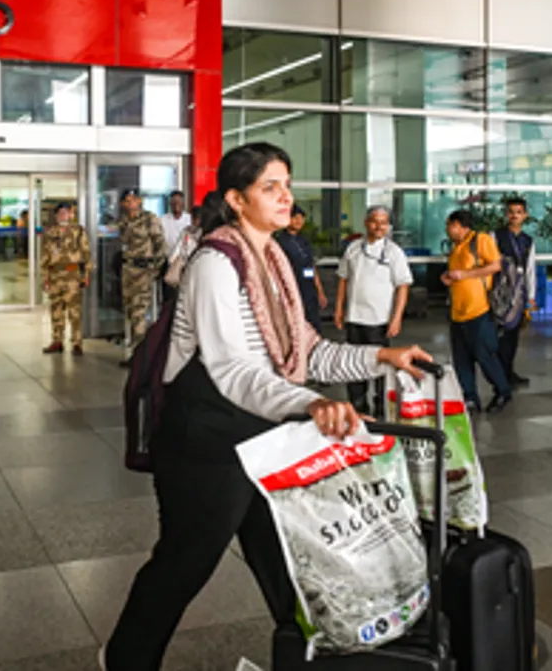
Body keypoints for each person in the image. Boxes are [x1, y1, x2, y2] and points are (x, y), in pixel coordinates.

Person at [102, 142, 434, 671]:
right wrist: (312, 405)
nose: (285, 197)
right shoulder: (215, 261)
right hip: (205, 440)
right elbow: (232, 369)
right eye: (269, 187)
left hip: (261, 431)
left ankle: (311, 654)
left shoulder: (274, 258)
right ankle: (125, 660)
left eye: (287, 183)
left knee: (285, 560)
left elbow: (309, 351)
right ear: (236, 199)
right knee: (185, 563)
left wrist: (382, 356)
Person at [333, 205, 413, 416]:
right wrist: (339, 309)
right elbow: (343, 279)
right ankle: (358, 407)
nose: (380, 226)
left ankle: (381, 408)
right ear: (366, 223)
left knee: (380, 367)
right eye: (375, 221)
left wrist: (397, 318)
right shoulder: (353, 248)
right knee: (353, 365)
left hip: (379, 321)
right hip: (354, 318)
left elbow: (403, 286)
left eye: (384, 223)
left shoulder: (394, 252)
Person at [443, 210, 513, 414]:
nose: (447, 229)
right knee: (461, 359)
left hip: (479, 310)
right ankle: (469, 396)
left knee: (485, 355)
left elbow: (496, 265)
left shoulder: (480, 240)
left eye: (450, 225)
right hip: (458, 312)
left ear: (459, 225)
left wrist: (465, 274)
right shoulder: (456, 247)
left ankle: (502, 390)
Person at [118, 187, 166, 365]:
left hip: (143, 271)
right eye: (127, 201)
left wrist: (156, 268)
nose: (130, 203)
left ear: (139, 201)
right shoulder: (123, 221)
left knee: (140, 312)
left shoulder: (149, 219)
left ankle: (141, 357)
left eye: (133, 200)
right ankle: (137, 353)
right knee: (131, 311)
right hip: (128, 271)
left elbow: (160, 244)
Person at [495, 197, 537, 387]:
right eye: (511, 212)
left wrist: (531, 297)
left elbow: (530, 269)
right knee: (500, 333)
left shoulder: (528, 241)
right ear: (506, 214)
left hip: (519, 292)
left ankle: (508, 371)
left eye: (519, 212)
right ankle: (499, 374)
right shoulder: (496, 236)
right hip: (499, 291)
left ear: (525, 215)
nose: (515, 216)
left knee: (513, 334)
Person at [41, 202, 93, 356]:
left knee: (74, 311)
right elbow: (45, 257)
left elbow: (86, 254)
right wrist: (45, 277)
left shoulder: (78, 231)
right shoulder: (51, 233)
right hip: (55, 275)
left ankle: (77, 342)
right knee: (56, 310)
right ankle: (57, 341)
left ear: (71, 215)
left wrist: (86, 275)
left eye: (66, 213)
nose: (63, 216)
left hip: (72, 275)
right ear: (56, 216)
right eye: (60, 214)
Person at [274, 205, 327, 332]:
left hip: (309, 287)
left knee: (314, 322)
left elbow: (311, 265)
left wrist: (319, 290)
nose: (299, 221)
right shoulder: (280, 241)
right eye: (295, 217)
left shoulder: (304, 240)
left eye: (301, 218)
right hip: (293, 287)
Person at [159, 190, 192, 302]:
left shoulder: (190, 219)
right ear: (169, 204)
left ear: (183, 203)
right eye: (173, 202)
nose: (176, 204)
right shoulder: (162, 220)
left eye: (179, 201)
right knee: (169, 295)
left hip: (186, 262)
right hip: (168, 261)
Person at [164, 206, 202, 290]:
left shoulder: (205, 234)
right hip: (186, 268)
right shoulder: (186, 231)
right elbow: (176, 251)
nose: (195, 221)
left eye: (196, 218)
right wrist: (173, 262)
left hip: (197, 269)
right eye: (193, 218)